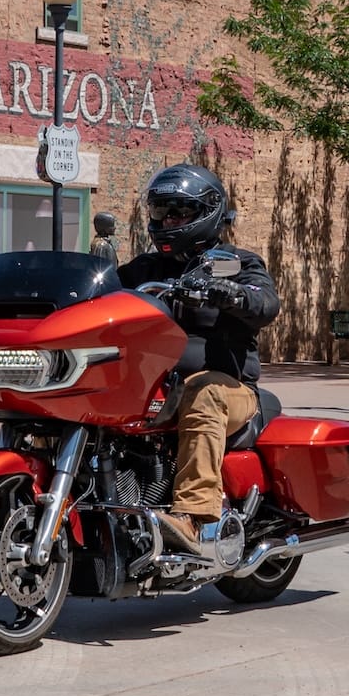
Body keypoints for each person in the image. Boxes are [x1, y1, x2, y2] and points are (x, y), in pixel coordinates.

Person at [117, 164, 279, 555]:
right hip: (157, 388)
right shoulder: (145, 268)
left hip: (230, 388)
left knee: (202, 391)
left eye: (179, 211)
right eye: (161, 211)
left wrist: (233, 294)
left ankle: (195, 515)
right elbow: (101, 290)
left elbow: (264, 300)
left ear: (206, 212)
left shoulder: (228, 262)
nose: (168, 219)